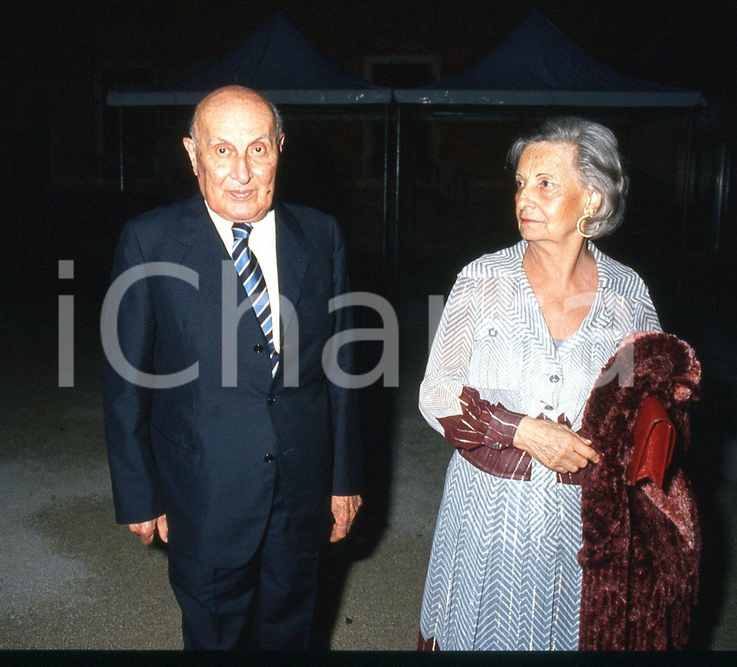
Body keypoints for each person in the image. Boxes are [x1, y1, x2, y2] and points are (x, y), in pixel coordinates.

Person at [102, 85, 362, 650]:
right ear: (193, 155)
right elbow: (126, 384)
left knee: (292, 633)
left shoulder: (321, 236)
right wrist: (139, 492)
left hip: (302, 489)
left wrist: (343, 478)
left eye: (257, 149)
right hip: (202, 494)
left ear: (280, 149)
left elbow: (340, 370)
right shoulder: (150, 242)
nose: (241, 172)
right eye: (222, 151)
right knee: (213, 638)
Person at [416, 116, 661, 650]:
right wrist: (521, 430)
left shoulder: (628, 292)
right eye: (522, 184)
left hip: (580, 520)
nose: (525, 197)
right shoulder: (482, 279)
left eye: (546, 183)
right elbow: (436, 393)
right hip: (488, 512)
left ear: (592, 199)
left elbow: (646, 401)